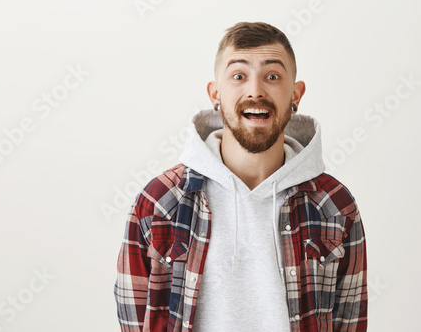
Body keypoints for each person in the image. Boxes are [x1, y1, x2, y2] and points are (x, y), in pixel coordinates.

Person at [114, 21, 367, 332]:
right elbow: (134, 320)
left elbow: (350, 322)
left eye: (272, 76)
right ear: (215, 94)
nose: (256, 90)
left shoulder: (335, 205)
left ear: (295, 94)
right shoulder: (159, 201)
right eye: (238, 76)